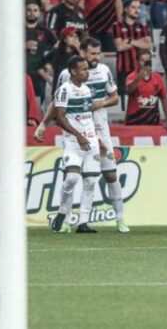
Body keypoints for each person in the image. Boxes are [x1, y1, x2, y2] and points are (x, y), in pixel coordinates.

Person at [42, 38, 129, 233]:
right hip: (75, 133)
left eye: (98, 54)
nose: (96, 58)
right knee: (71, 176)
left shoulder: (103, 72)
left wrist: (101, 104)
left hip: (98, 131)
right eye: (92, 54)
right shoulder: (66, 76)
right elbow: (57, 104)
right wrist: (43, 123)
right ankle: (64, 218)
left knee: (108, 175)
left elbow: (115, 97)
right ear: (82, 53)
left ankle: (119, 219)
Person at [48, 56, 101, 234]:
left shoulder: (86, 90)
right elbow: (59, 117)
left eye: (87, 68)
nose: (88, 72)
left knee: (91, 181)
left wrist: (94, 137)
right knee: (71, 178)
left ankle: (83, 222)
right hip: (73, 142)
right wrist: (78, 135)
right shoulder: (64, 90)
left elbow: (87, 115)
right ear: (73, 71)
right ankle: (63, 212)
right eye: (84, 69)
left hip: (90, 141)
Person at [112, 0, 152, 96]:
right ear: (125, 9)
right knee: (124, 98)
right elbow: (119, 47)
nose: (137, 10)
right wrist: (139, 42)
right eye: (133, 7)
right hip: (123, 68)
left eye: (138, 8)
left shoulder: (143, 26)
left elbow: (148, 45)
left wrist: (130, 41)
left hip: (141, 68)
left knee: (142, 96)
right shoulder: (117, 26)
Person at [125, 49, 167, 127]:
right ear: (137, 61)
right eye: (142, 61)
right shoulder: (131, 77)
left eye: (148, 61)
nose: (145, 63)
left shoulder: (157, 78)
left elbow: (164, 99)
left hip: (153, 121)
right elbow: (129, 90)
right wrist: (138, 78)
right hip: (134, 121)